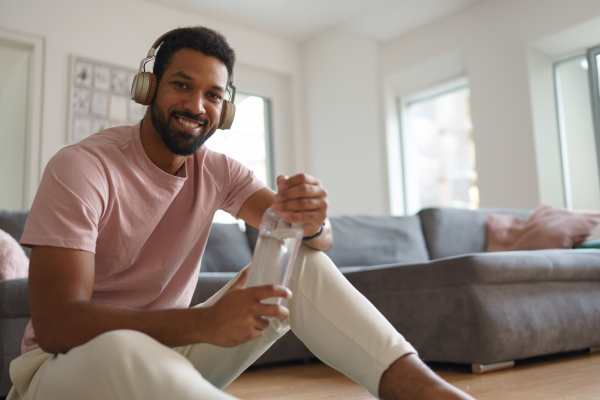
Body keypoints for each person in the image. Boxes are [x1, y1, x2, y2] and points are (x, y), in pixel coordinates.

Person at [7, 26, 474, 400]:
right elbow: (56, 323)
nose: (196, 105)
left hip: (167, 354)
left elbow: (312, 241)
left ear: (225, 109)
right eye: (182, 86)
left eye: (212, 94)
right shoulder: (82, 168)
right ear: (149, 88)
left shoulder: (218, 171)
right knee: (122, 347)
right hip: (60, 372)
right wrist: (203, 324)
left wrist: (314, 221)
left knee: (300, 265)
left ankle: (419, 389)